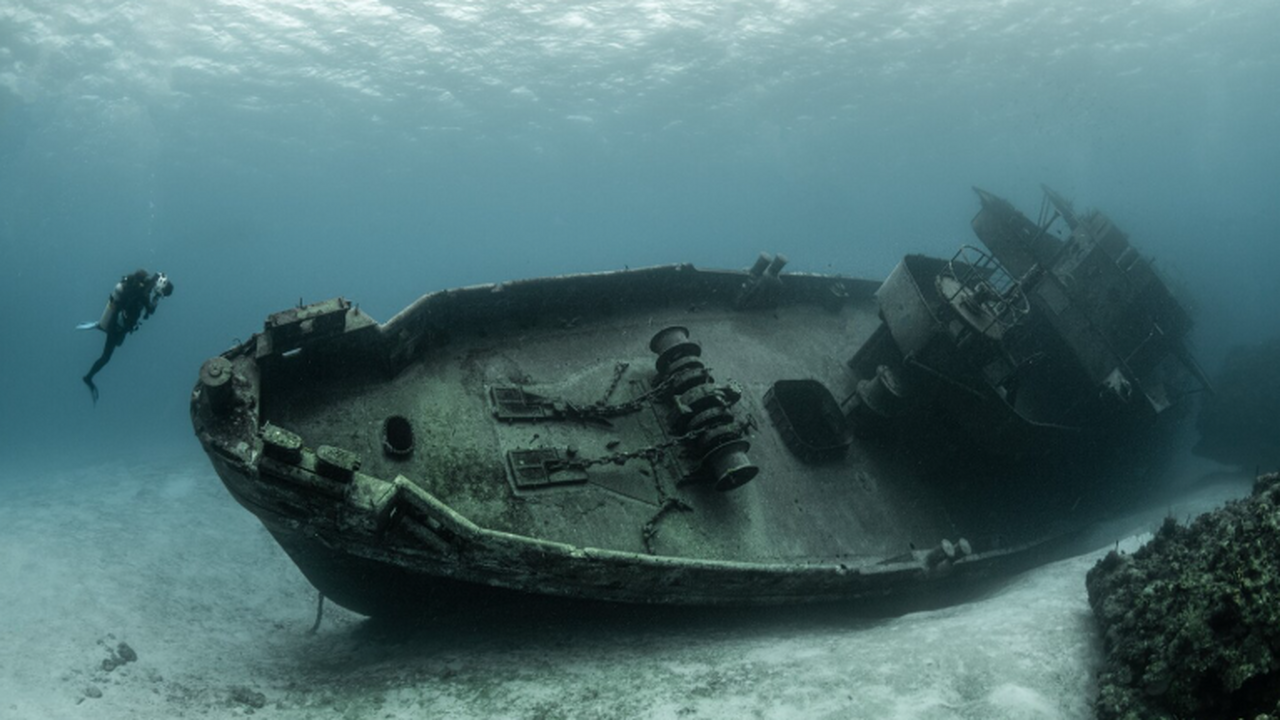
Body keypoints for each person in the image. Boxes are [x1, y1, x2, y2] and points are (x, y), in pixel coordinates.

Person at [80, 269, 174, 403]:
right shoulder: (144, 292)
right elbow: (150, 310)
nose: (161, 294)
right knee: (106, 357)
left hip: (118, 325)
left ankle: (100, 325)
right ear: (161, 286)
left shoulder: (144, 285)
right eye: (163, 293)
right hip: (117, 327)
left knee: (117, 344)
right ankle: (88, 377)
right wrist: (156, 298)